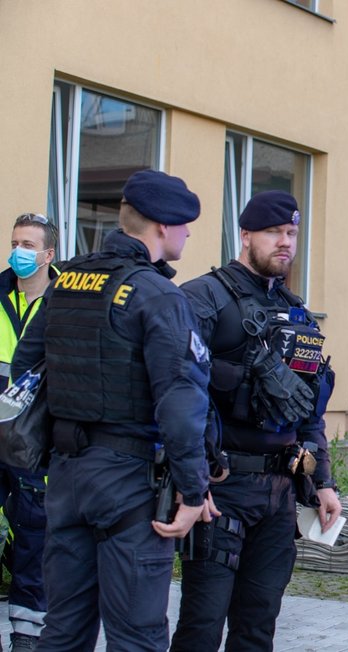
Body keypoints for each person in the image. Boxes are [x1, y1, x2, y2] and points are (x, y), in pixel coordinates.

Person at [10, 170, 216, 651]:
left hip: (65, 476)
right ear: (162, 227)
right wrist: (192, 491)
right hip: (128, 483)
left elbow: (26, 368)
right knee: (137, 636)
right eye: (185, 225)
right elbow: (182, 401)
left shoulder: (66, 284)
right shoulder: (157, 294)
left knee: (63, 630)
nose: (187, 234)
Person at [172, 190, 342, 650]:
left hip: (281, 491)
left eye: (291, 233)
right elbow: (179, 398)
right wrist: (192, 483)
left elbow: (308, 408)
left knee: (258, 626)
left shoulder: (295, 309)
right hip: (221, 487)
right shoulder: (202, 298)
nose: (285, 242)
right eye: (273, 233)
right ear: (245, 235)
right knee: (201, 626)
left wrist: (323, 481)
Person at [0, 212, 59, 651]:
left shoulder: (66, 300)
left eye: (27, 245)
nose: (18, 251)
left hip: (37, 441)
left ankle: (28, 639)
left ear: (48, 255)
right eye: (15, 242)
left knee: (33, 544)